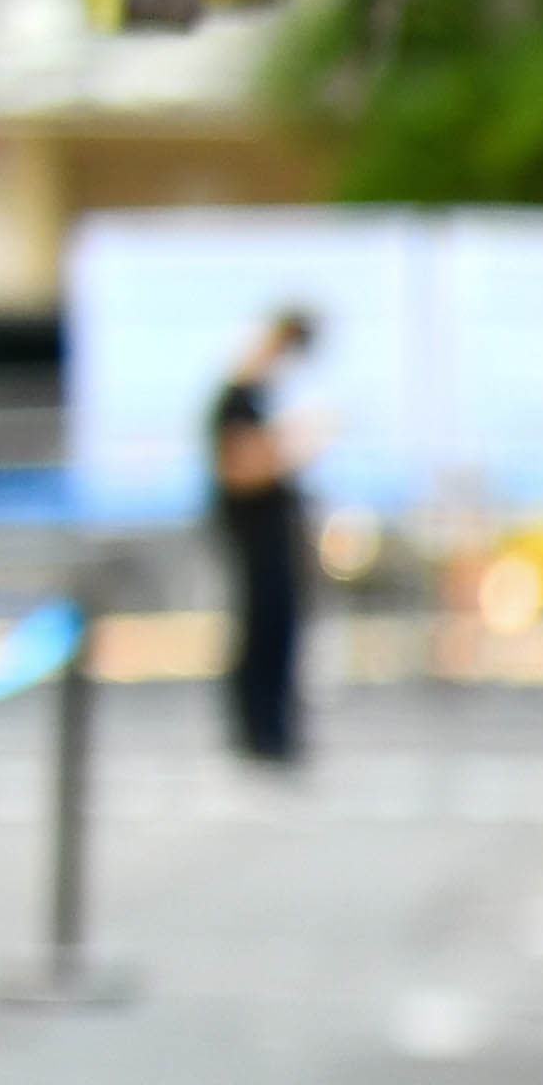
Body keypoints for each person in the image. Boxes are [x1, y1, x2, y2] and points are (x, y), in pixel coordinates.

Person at [205, 304, 316, 769]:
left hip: (272, 535)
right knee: (261, 631)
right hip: (253, 537)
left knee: (279, 631)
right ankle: (259, 734)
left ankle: (274, 732)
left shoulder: (257, 400)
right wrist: (294, 445)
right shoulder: (235, 401)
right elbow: (242, 470)